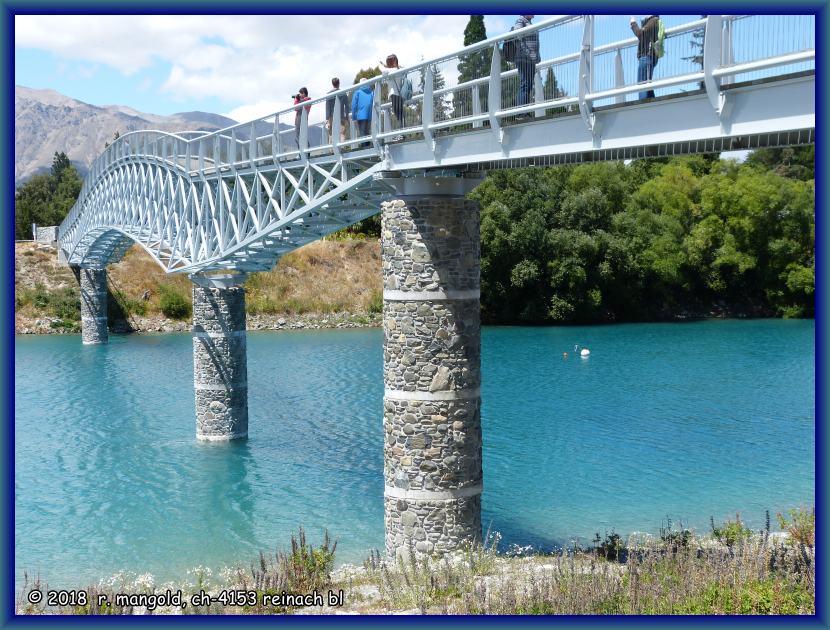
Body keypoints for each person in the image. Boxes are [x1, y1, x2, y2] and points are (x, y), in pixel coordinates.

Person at [512, 15, 540, 111]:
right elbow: (517, 37)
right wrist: (527, 52)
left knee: (528, 84)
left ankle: (525, 111)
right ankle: (521, 112)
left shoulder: (528, 22)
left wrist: (536, 56)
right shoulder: (520, 21)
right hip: (524, 58)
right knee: (525, 84)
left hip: (531, 59)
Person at [630, 15, 660, 100]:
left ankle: (643, 108)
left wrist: (633, 23)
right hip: (648, 57)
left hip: (646, 57)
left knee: (642, 86)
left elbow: (640, 33)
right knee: (647, 87)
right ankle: (653, 107)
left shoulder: (653, 21)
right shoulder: (653, 21)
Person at [380, 54, 406, 136]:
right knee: (400, 114)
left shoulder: (392, 70)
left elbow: (382, 71)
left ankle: (401, 134)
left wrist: (381, 65)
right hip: (400, 93)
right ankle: (402, 133)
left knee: (398, 114)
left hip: (394, 94)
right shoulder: (399, 69)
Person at [325, 77, 348, 145]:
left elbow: (327, 107)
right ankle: (342, 148)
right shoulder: (343, 93)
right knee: (342, 133)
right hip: (341, 116)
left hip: (331, 117)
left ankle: (331, 151)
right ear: (339, 83)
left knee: (331, 134)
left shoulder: (328, 94)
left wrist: (327, 119)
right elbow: (347, 106)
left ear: (332, 84)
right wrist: (346, 116)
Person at [351, 78, 374, 147]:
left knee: (362, 132)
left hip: (360, 115)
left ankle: (364, 148)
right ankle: (369, 147)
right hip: (369, 115)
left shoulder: (357, 92)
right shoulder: (372, 92)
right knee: (367, 132)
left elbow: (354, 105)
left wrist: (354, 117)